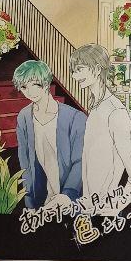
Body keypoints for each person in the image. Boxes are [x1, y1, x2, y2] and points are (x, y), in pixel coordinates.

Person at [70, 43, 131, 218]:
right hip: (90, 207)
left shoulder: (115, 111)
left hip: (105, 212)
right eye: (73, 71)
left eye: (79, 69)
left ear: (97, 69)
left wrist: (116, 205)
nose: (74, 76)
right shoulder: (96, 107)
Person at [13, 59, 85, 211]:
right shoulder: (24, 116)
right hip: (42, 197)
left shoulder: (74, 117)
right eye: (24, 87)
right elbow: (25, 161)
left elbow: (81, 161)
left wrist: (67, 194)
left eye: (34, 84)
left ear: (45, 83)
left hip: (73, 197)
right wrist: (29, 201)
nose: (29, 91)